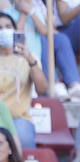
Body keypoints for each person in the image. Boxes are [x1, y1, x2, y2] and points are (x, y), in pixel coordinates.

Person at [0, 11, 47, 151]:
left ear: (15, 31)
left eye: (8, 27)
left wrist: (29, 59)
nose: (4, 31)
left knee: (23, 134)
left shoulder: (28, 58)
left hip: (19, 119)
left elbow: (42, 89)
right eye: (0, 28)